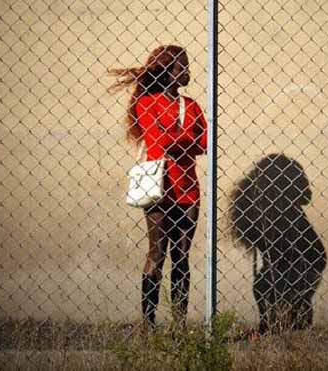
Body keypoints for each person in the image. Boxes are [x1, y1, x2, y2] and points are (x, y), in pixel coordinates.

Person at [109, 45, 207, 328]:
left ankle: (179, 327)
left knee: (182, 258)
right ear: (166, 71)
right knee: (157, 253)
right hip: (159, 189)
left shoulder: (192, 106)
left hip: (188, 190)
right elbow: (160, 141)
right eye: (181, 67)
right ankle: (148, 325)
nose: (187, 71)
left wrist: (180, 140)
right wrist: (186, 138)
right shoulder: (147, 103)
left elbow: (204, 143)